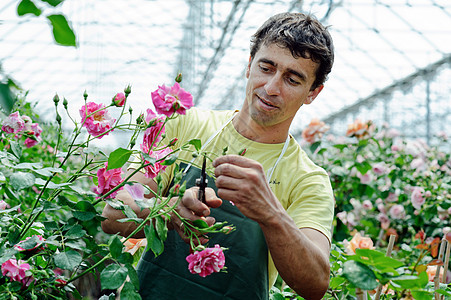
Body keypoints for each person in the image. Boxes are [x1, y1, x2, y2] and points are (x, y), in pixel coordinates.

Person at [102, 12, 335, 300]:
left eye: (293, 79)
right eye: (267, 67)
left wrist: (270, 212)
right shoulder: (185, 125)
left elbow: (314, 285)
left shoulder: (308, 180)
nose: (272, 87)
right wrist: (168, 210)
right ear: (249, 66)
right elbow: (112, 212)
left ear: (313, 92)